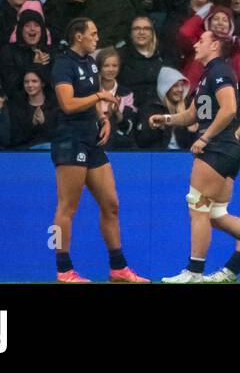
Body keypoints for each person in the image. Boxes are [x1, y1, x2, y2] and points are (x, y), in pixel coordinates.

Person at [154, 29, 240, 284]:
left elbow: (230, 109)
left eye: (201, 40)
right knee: (216, 214)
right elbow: (192, 115)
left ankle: (194, 272)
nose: (195, 45)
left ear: (214, 45)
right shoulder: (208, 75)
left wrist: (205, 138)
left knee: (198, 207)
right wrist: (167, 119)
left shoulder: (221, 71)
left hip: (216, 148)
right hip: (224, 148)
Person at [48, 18, 148, 283]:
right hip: (70, 139)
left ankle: (118, 268)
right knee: (67, 207)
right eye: (93, 33)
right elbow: (67, 104)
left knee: (111, 204)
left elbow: (90, 100)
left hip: (91, 138)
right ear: (78, 37)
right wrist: (99, 98)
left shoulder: (91, 63)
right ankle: (63, 270)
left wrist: (103, 119)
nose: (97, 37)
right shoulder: (63, 64)